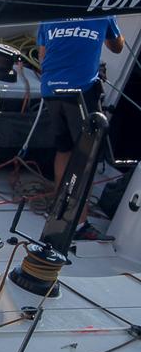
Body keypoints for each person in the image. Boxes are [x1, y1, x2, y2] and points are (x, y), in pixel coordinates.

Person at [37, 14, 124, 241]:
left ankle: (58, 210)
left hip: (50, 89)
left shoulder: (50, 15)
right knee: (87, 156)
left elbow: (42, 56)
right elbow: (117, 47)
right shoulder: (104, 12)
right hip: (81, 91)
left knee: (63, 149)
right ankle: (79, 222)